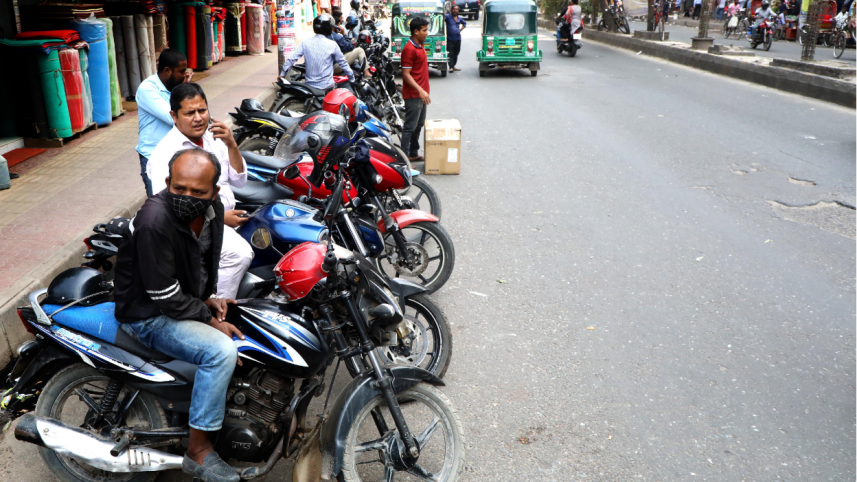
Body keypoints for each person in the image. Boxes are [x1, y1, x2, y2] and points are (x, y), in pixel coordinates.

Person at [114, 147, 244, 482]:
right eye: (179, 189)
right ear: (168, 182)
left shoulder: (213, 209)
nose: (187, 197)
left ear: (215, 191)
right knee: (219, 352)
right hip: (146, 314)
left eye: (198, 192)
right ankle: (198, 450)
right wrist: (208, 317)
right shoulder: (154, 220)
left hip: (181, 300)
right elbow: (165, 297)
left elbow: (204, 261)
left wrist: (209, 298)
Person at [146, 83, 253, 300]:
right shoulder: (164, 155)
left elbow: (239, 181)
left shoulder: (214, 139)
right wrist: (220, 220)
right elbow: (173, 210)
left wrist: (232, 144)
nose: (198, 118)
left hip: (227, 220)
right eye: (190, 113)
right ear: (174, 116)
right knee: (239, 254)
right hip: (194, 231)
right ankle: (217, 307)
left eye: (202, 110)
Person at [136, 48, 193, 197]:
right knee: (159, 208)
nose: (185, 75)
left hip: (176, 155)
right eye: (181, 71)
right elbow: (173, 118)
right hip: (153, 155)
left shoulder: (175, 88)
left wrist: (185, 89)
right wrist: (184, 90)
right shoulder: (147, 89)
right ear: (167, 71)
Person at [279, 14, 355, 91]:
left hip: (310, 86)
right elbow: (343, 63)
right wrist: (352, 78)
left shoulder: (305, 43)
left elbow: (292, 59)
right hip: (327, 87)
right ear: (328, 28)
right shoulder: (332, 44)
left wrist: (282, 75)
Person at [400, 16, 430, 163]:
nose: (427, 33)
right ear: (416, 31)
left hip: (422, 93)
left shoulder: (420, 45)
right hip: (414, 94)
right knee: (409, 127)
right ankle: (404, 160)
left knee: (419, 124)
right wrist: (420, 90)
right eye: (424, 30)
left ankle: (413, 152)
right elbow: (405, 75)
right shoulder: (409, 49)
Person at [330, 9, 371, 76]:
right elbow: (350, 47)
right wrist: (344, 34)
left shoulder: (315, 39)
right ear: (334, 25)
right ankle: (367, 73)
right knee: (360, 50)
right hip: (334, 66)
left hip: (324, 67)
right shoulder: (337, 36)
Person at [445, 5, 466, 72]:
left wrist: (460, 30)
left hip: (458, 38)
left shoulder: (459, 18)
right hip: (450, 38)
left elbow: (464, 23)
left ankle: (453, 66)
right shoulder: (447, 17)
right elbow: (441, 19)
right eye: (454, 9)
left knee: (456, 53)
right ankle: (451, 67)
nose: (455, 10)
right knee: (451, 53)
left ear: (458, 10)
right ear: (451, 10)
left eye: (457, 9)